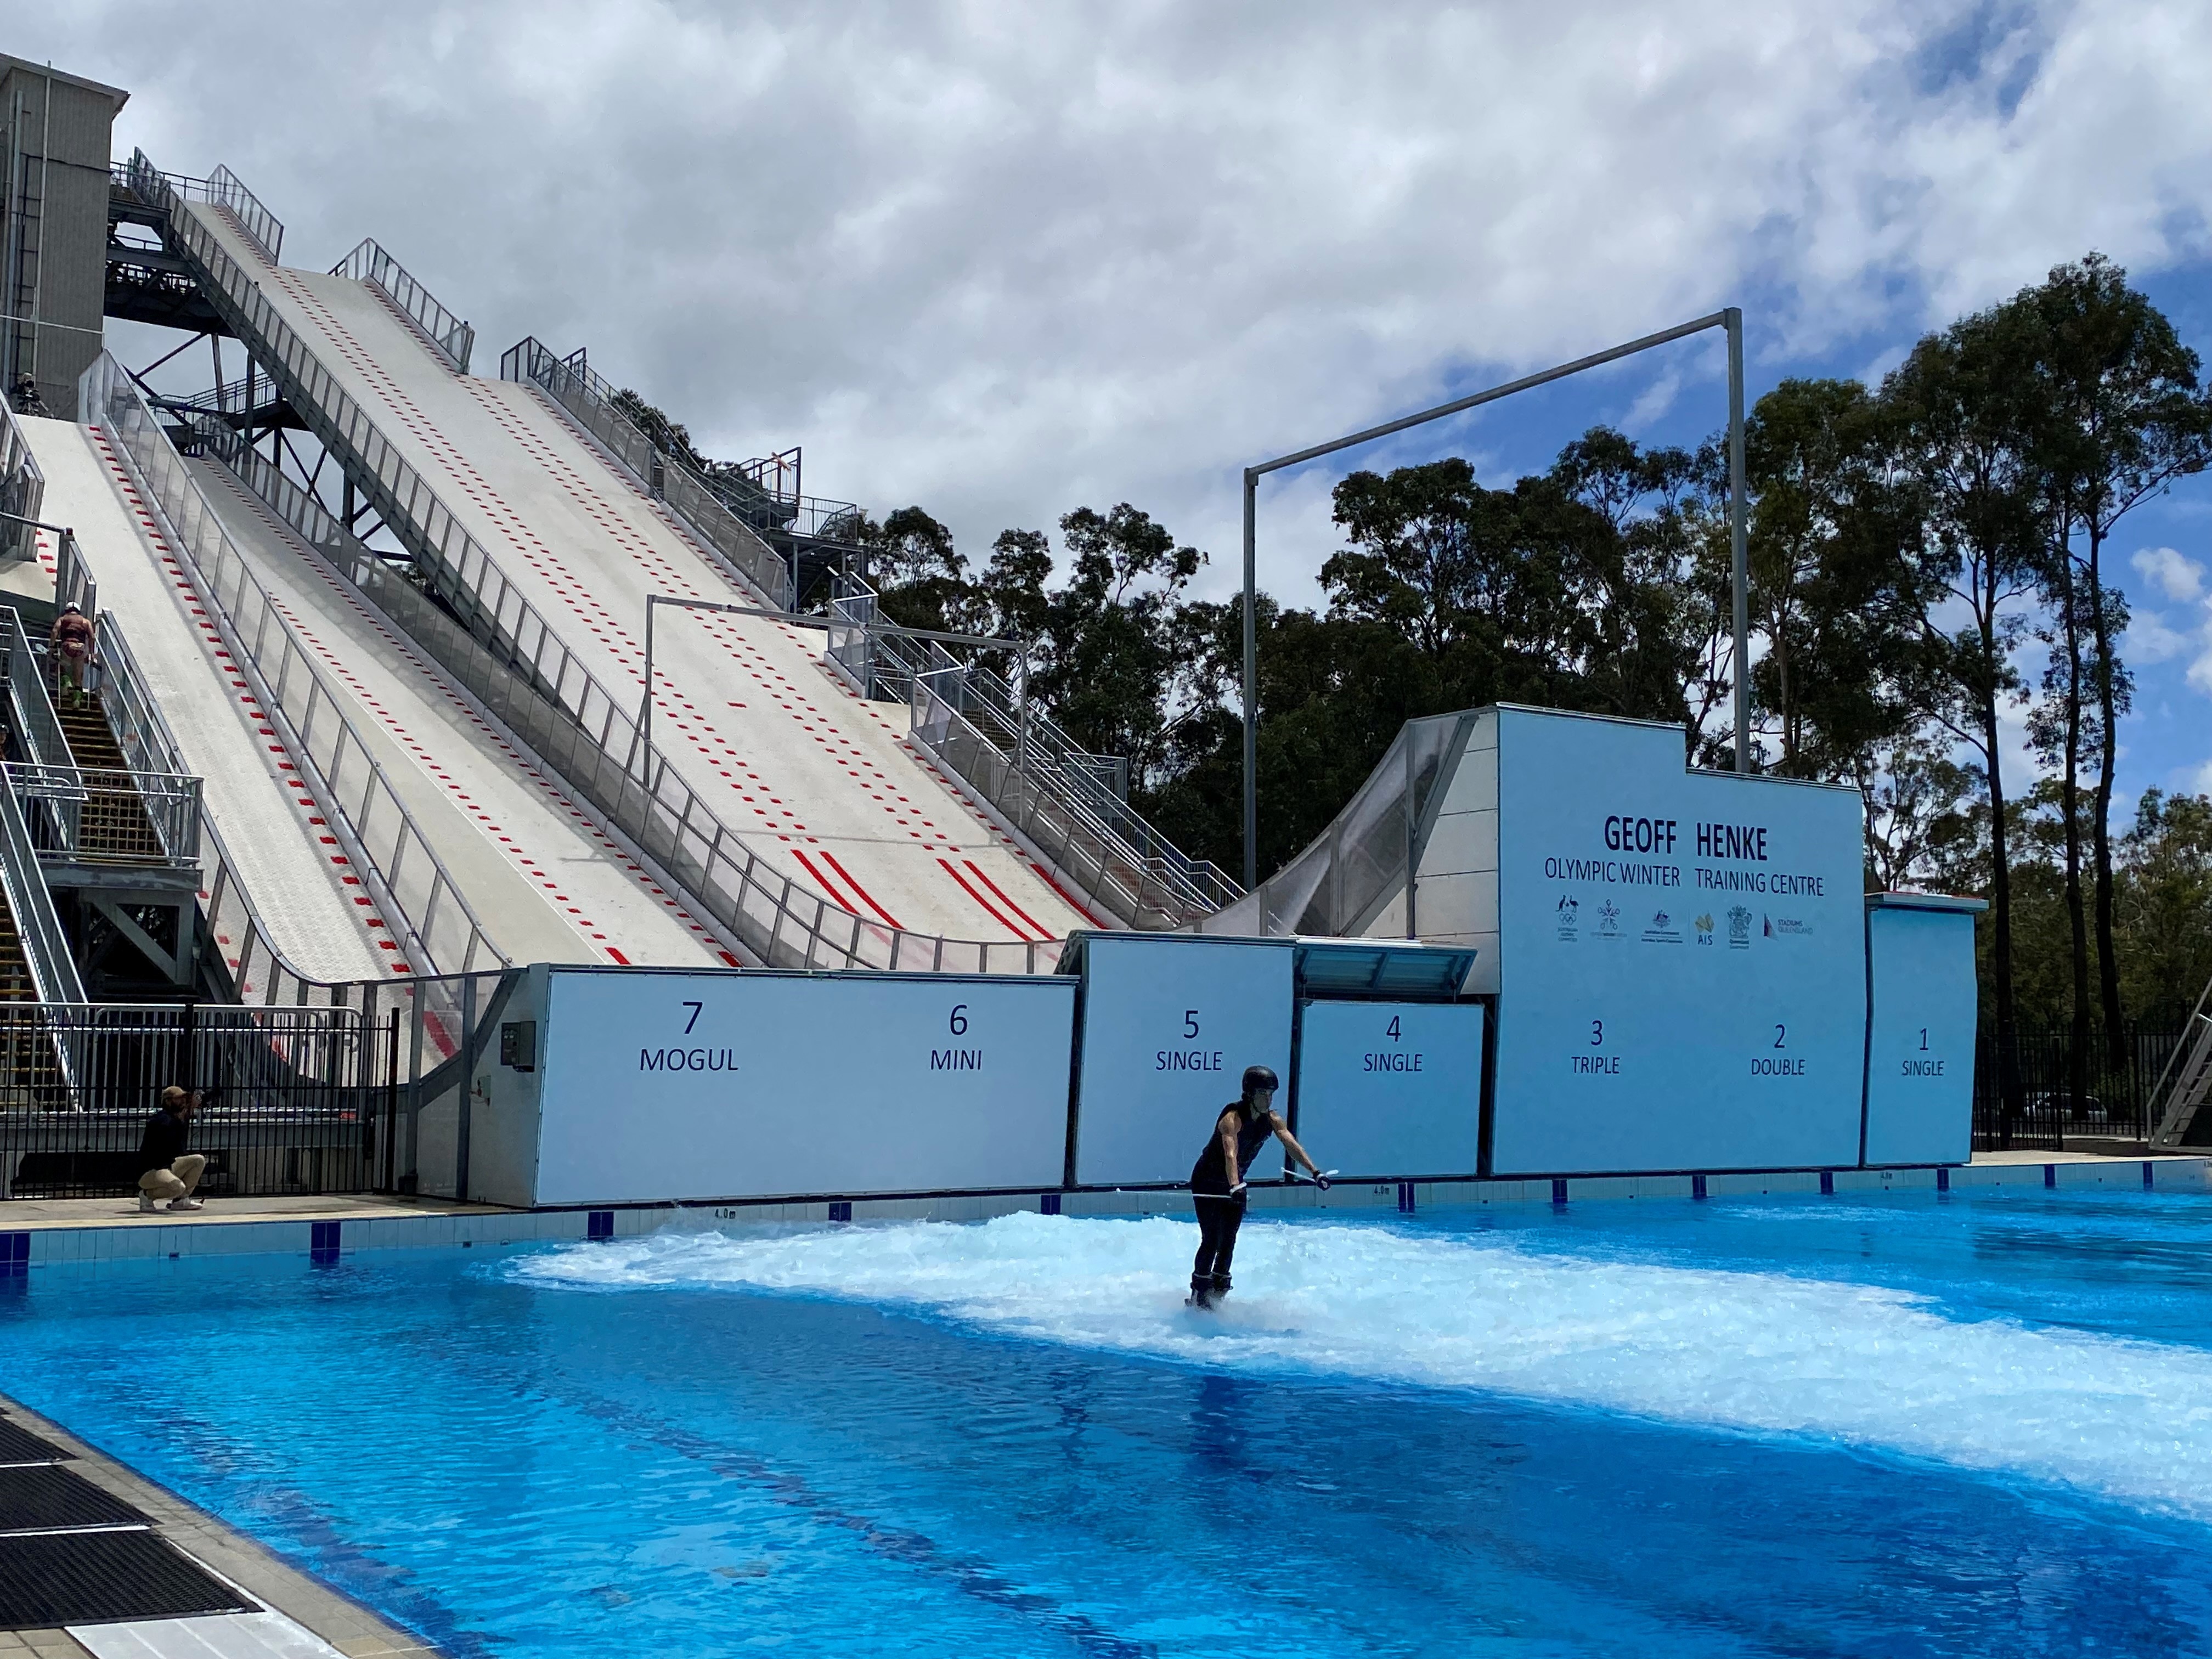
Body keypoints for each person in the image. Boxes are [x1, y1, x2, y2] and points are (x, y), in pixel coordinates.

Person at [1186, 1064, 1327, 1309]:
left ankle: (1216, 1296)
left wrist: (1315, 1172)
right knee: (1212, 1239)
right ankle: (1199, 1295)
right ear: (1250, 1093)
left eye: (1272, 1093)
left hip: (1235, 1183)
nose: (1269, 1098)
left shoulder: (1272, 1119)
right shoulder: (1232, 1119)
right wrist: (1235, 1186)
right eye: (1264, 1093)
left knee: (1229, 1240)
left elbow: (1291, 1144)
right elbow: (1231, 1154)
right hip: (1208, 1181)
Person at [137, 1086, 206, 1214]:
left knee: (199, 1160)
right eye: (179, 1099)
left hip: (167, 1165)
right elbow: (171, 1130)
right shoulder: (161, 1120)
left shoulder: (175, 1119)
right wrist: (187, 1111)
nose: (183, 1102)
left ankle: (181, 1201)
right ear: (168, 1101)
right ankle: (147, 1195)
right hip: (152, 1171)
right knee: (178, 1187)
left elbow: (178, 1148)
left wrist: (189, 1110)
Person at [49, 602, 94, 708]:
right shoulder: (85, 621)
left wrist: (52, 647)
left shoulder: (63, 619)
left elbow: (55, 630)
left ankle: (67, 684)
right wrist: (91, 653)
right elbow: (92, 637)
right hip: (80, 648)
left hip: (67, 646)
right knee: (78, 678)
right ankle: (76, 701)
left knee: (62, 668)